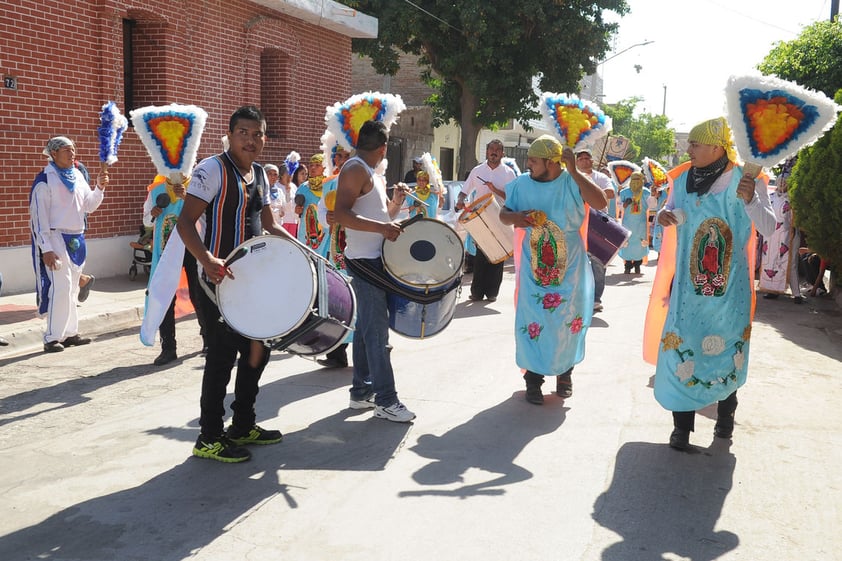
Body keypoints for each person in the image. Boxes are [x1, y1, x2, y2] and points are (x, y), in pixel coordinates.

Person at [644, 117, 776, 451]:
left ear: (716, 148)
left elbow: (770, 228)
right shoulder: (684, 177)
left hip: (730, 293)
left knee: (727, 350)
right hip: (688, 291)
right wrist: (664, 215)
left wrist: (750, 201)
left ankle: (725, 421)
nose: (688, 149)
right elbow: (669, 210)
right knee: (681, 352)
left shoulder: (747, 179)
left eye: (694, 144)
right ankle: (681, 429)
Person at [176, 105, 293, 463]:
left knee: (259, 350)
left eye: (258, 134)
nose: (251, 140)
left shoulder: (260, 174)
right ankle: (208, 437)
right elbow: (185, 223)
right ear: (230, 135)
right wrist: (207, 259)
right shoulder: (211, 170)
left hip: (252, 282)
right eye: (243, 132)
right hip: (217, 281)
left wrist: (301, 252)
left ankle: (243, 424)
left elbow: (270, 224)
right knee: (222, 357)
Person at [498, 135, 608, 404]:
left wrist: (574, 171)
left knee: (566, 321)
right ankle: (533, 380)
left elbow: (601, 202)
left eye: (534, 160)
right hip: (534, 266)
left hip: (570, 266)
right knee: (533, 318)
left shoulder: (572, 181)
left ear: (551, 162)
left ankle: (565, 375)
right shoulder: (522, 184)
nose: (529, 165)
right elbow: (504, 214)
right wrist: (518, 218)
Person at [334, 120, 416, 422]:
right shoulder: (355, 169)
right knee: (377, 334)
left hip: (374, 259)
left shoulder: (371, 173)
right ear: (383, 148)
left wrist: (395, 204)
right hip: (363, 262)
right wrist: (382, 227)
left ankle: (361, 392)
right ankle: (386, 399)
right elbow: (341, 214)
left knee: (367, 332)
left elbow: (381, 217)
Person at [29, 136, 107, 353]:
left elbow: (89, 206)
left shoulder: (78, 176)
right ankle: (52, 337)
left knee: (72, 289)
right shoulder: (45, 180)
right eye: (66, 150)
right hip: (55, 238)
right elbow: (39, 218)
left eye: (73, 149)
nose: (72, 153)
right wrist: (46, 249)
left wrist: (99, 188)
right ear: (53, 153)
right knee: (61, 288)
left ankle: (70, 333)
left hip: (77, 238)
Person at [142, 174, 208, 365]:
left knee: (199, 293)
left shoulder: (198, 186)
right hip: (165, 247)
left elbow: (207, 215)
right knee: (165, 295)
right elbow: (147, 220)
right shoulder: (156, 189)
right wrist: (152, 213)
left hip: (192, 246)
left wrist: (187, 198)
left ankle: (208, 340)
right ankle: (168, 348)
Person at [462, 139, 517, 302]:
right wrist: (460, 200)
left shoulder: (508, 173)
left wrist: (495, 190)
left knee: (498, 254)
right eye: (491, 149)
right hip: (480, 220)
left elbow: (512, 198)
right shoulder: (477, 170)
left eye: (497, 149)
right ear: (486, 152)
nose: (494, 152)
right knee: (481, 255)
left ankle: (492, 292)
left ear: (502, 153)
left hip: (500, 217)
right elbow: (465, 190)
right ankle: (477, 292)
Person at [314, 144, 353, 369]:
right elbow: (321, 210)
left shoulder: (364, 179)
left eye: (347, 155)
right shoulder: (329, 182)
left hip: (357, 247)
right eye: (339, 156)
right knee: (336, 297)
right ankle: (337, 352)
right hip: (335, 247)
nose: (342, 159)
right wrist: (325, 219)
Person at [576, 147, 615, 313]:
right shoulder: (571, 177)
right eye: (581, 158)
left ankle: (596, 298)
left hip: (598, 223)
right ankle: (578, 297)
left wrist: (589, 193)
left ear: (593, 161)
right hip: (577, 223)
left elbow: (610, 193)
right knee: (576, 262)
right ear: (576, 162)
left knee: (598, 264)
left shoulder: (601, 177)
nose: (585, 160)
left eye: (587, 158)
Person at [759, 173, 803, 303]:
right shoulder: (770, 197)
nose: (782, 184)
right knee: (771, 262)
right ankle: (772, 290)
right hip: (771, 238)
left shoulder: (793, 199)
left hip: (789, 236)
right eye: (780, 181)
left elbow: (798, 218)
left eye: (785, 182)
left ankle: (797, 294)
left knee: (791, 264)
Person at [618, 171, 652, 274]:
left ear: (642, 181)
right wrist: (625, 204)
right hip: (628, 222)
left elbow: (652, 205)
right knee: (627, 243)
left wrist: (655, 195)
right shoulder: (624, 192)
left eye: (638, 179)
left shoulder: (646, 192)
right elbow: (619, 206)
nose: (636, 182)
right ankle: (627, 266)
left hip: (641, 223)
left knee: (640, 244)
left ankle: (638, 265)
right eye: (634, 179)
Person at [297, 153, 328, 252]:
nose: (313, 168)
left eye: (317, 165)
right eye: (311, 165)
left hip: (325, 233)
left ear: (324, 168)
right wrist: (298, 210)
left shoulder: (329, 186)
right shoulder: (303, 187)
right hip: (306, 233)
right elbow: (298, 209)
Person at [279, 152, 301, 237]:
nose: (289, 177)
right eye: (287, 174)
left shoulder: (293, 186)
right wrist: (287, 192)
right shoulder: (277, 186)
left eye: (291, 174)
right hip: (282, 222)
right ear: (281, 175)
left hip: (293, 221)